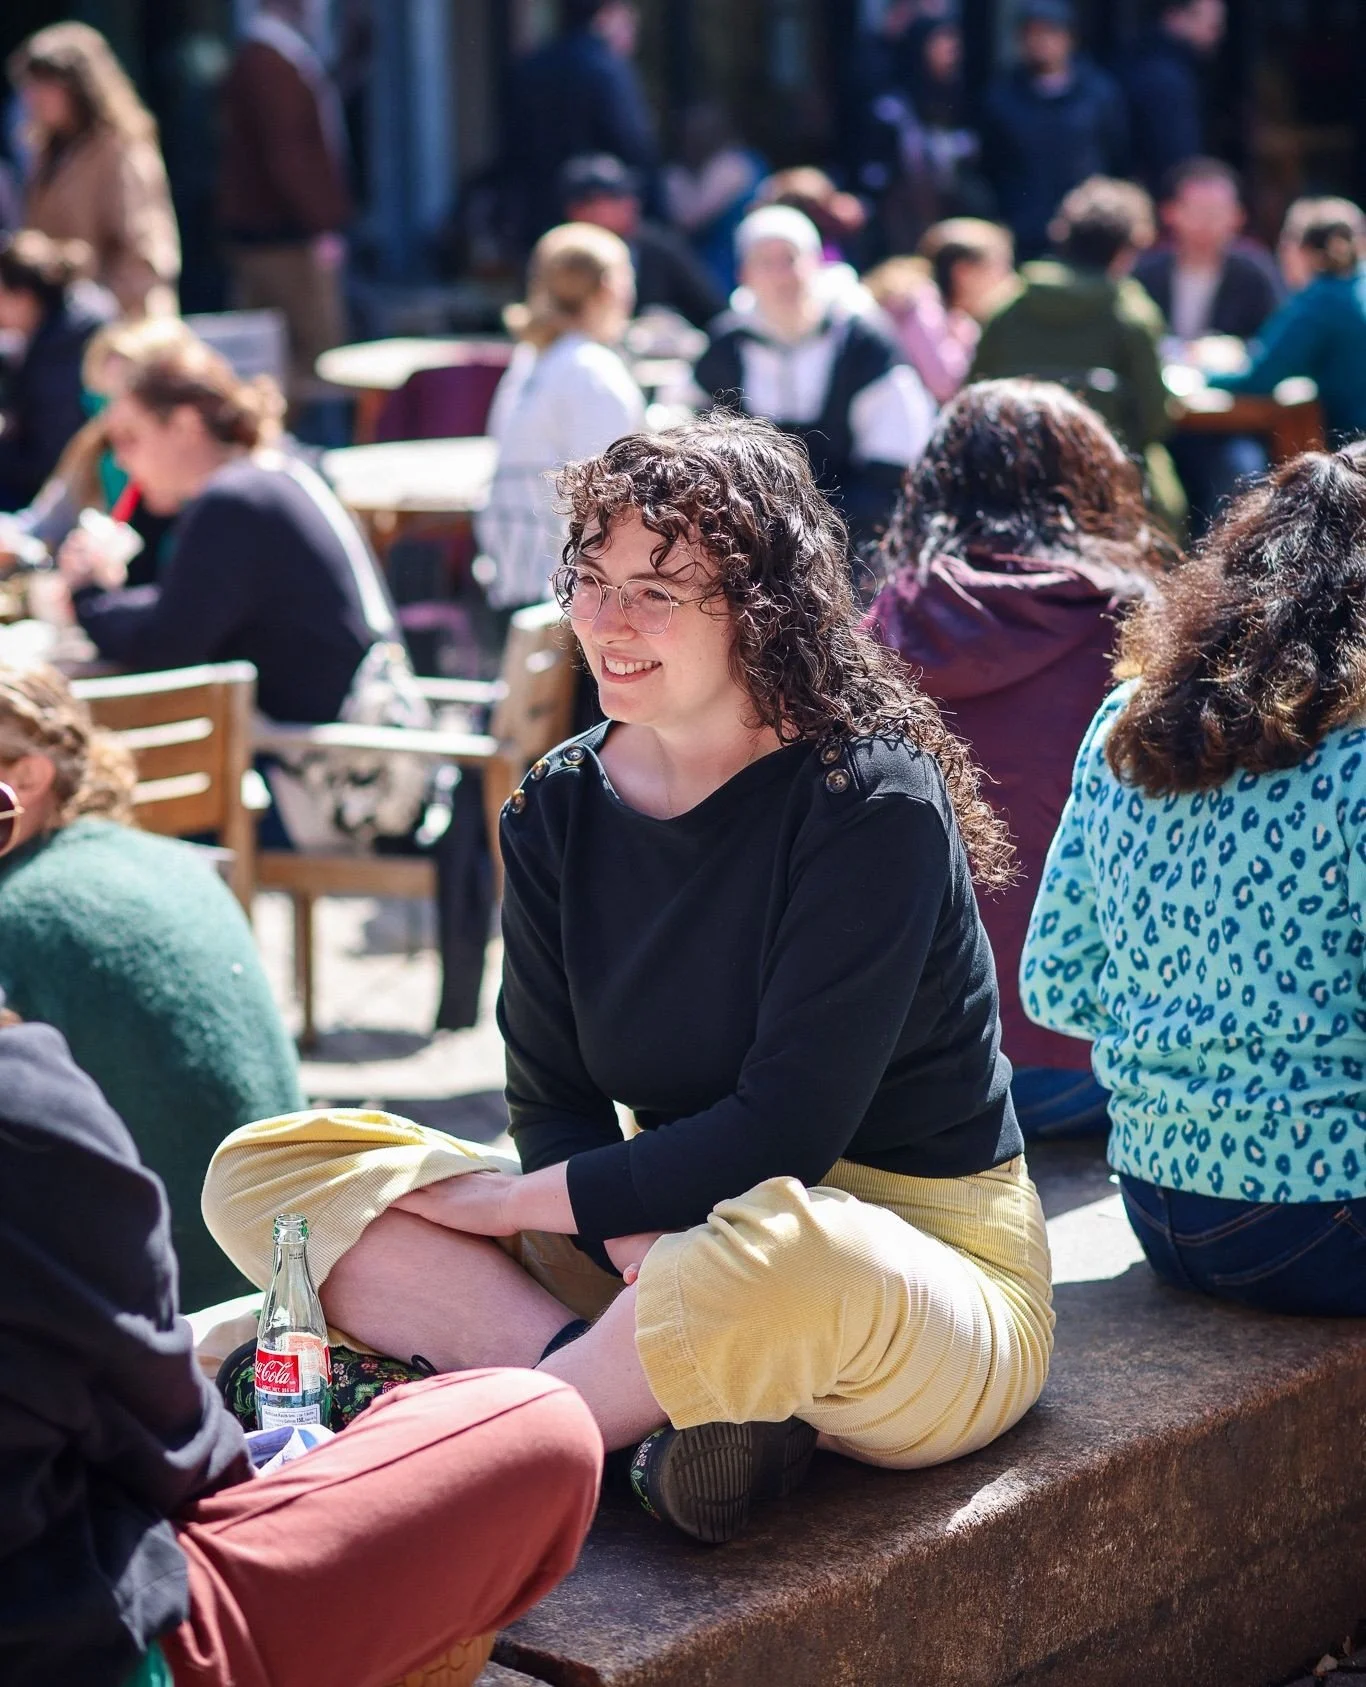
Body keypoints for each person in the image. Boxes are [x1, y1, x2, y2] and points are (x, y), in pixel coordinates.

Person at [199, 413, 1054, 1547]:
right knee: (272, 1173)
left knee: (771, 1254)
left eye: (657, 590)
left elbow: (783, 1131)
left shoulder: (869, 799)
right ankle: (643, 1433)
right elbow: (552, 1100)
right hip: (652, 1253)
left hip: (900, 1277)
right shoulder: (555, 803)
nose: (603, 621)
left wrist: (516, 1207)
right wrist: (620, 1239)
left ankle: (452, 1439)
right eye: (590, 579)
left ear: (759, 608)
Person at [0, 1014, 602, 1687]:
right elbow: (185, 1465)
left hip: (626, 1235)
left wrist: (528, 1203)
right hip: (89, 1642)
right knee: (543, 1420)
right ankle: (630, 1430)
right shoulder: (23, 1102)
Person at [1021, 444, 1366, 1314]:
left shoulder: (1121, 723)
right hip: (1327, 1210)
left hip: (1158, 1204)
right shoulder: (1357, 761)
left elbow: (1052, 983)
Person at [866, 380, 1168, 1138]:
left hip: (912, 1078)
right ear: (1094, 484)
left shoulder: (881, 627)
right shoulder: (1140, 626)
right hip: (1095, 1066)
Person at [0, 664, 301, 1309]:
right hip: (280, 1268)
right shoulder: (166, 861)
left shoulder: (20, 914)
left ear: (27, 776)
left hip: (156, 1301)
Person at [51, 338, 427, 848]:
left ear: (183, 425)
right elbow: (185, 613)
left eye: (130, 437)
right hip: (365, 762)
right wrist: (103, 598)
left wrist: (89, 595)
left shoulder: (233, 501)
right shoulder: (273, 472)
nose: (120, 458)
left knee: (101, 812)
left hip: (339, 787)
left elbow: (168, 645)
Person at [695, 205, 935, 553]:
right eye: (766, 262)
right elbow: (691, 441)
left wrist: (823, 536)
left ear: (816, 263)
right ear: (744, 273)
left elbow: (894, 459)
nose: (783, 275)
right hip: (746, 539)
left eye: (790, 259)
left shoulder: (862, 343)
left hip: (852, 539)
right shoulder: (725, 347)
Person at [970, 175, 1184, 530]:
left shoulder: (1004, 308)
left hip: (1012, 493)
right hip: (1114, 500)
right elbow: (1155, 420)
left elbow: (972, 403)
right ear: (1125, 250)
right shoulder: (1131, 315)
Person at [477, 222, 646, 618]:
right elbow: (618, 490)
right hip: (569, 592)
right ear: (608, 288)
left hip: (519, 575)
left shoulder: (532, 358)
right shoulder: (591, 367)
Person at [218, 0, 352, 426]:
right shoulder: (268, 61)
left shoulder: (277, 55)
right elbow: (289, 154)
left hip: (274, 234)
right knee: (309, 359)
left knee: (281, 359)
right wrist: (322, 222)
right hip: (284, 239)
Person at [1133, 157, 1284, 532]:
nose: (1206, 223)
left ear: (1237, 216)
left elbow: (1273, 345)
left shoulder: (1255, 272)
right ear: (1171, 213)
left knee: (1242, 472)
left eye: (1217, 212)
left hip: (1230, 422)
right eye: (1197, 211)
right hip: (1162, 422)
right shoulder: (1146, 272)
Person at [7, 22, 180, 318]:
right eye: (31, 86)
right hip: (67, 323)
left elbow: (145, 252)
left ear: (78, 88)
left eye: (45, 85)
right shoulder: (46, 151)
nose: (34, 98)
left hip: (124, 328)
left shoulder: (122, 149)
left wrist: (104, 308)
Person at [1204, 197, 1366, 444]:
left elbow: (1258, 380)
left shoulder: (1320, 302)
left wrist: (1200, 373)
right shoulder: (1353, 288)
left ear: (1303, 252)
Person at [981, 0, 1129, 261]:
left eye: (1049, 32)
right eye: (1032, 34)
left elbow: (1117, 155)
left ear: (1069, 38)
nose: (1040, 42)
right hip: (1025, 232)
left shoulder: (1099, 93)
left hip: (1086, 232)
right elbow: (992, 166)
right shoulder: (1002, 98)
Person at [505, 0, 659, 247]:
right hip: (601, 212)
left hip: (541, 216)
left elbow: (512, 151)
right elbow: (636, 146)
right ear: (605, 16)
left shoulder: (530, 67)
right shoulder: (606, 68)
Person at [0, 228, 114, 510]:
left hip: (64, 494)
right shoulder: (62, 325)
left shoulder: (65, 355)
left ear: (24, 297)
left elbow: (46, 461)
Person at [560, 152, 723, 329]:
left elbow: (714, 313)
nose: (630, 203)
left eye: (628, 194)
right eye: (615, 197)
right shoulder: (559, 259)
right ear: (579, 211)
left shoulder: (658, 248)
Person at [865, 218, 1016, 404]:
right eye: (1001, 268)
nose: (1009, 280)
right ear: (963, 272)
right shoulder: (917, 301)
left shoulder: (950, 314)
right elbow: (945, 384)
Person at [1120, 0, 1227, 197]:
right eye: (1212, 26)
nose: (1217, 35)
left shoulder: (1146, 59)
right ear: (1176, 17)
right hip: (1160, 196)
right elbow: (1177, 158)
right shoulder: (1166, 78)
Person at [663, 102, 765, 298]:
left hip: (732, 263)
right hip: (704, 266)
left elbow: (689, 218)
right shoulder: (684, 172)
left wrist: (674, 179)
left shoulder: (737, 164)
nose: (697, 138)